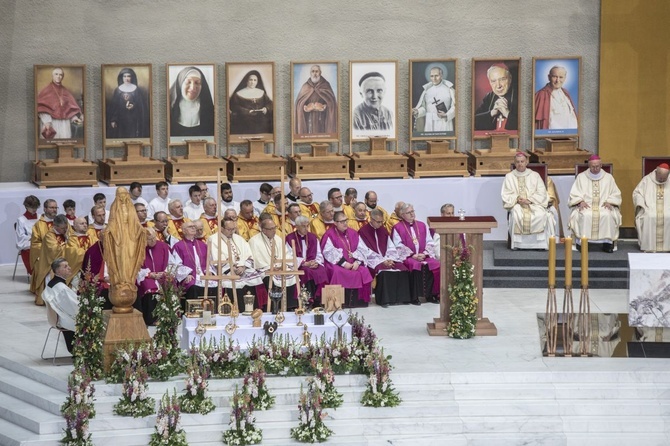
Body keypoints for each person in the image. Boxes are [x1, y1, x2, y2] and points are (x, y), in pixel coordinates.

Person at [209, 218, 266, 313]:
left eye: (233, 229)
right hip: (226, 270)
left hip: (243, 268)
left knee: (255, 279)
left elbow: (249, 255)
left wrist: (243, 266)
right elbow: (215, 258)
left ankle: (255, 310)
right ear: (222, 228)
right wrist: (232, 268)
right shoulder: (213, 239)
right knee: (233, 282)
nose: (232, 232)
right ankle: (235, 311)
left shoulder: (239, 238)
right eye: (229, 229)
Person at [568, 155, 622, 252]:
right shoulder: (581, 177)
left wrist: (610, 202)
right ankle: (584, 243)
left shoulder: (608, 177)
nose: (595, 168)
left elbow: (616, 193)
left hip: (603, 205)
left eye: (597, 166)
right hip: (587, 206)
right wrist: (580, 201)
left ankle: (607, 244)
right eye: (593, 166)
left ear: (601, 165)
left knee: (607, 215)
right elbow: (574, 193)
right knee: (585, 215)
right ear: (589, 166)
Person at [501, 152, 555, 250]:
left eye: (522, 161)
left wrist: (529, 200)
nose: (520, 164)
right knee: (517, 214)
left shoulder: (535, 175)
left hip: (533, 203)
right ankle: (519, 245)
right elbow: (506, 193)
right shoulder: (509, 176)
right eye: (517, 162)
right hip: (517, 204)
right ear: (514, 163)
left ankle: (539, 245)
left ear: (526, 162)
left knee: (540, 214)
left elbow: (542, 192)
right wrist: (517, 199)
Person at [359, 209, 411, 307]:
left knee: (402, 269)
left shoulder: (383, 230)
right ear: (371, 219)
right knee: (383, 271)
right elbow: (364, 250)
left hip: (387, 257)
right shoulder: (363, 231)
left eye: (381, 222)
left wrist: (390, 258)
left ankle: (401, 298)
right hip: (373, 260)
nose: (380, 224)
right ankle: (384, 300)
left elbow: (390, 246)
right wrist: (383, 261)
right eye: (378, 222)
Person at [321, 211, 373, 308]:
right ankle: (337, 303)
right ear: (335, 223)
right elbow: (328, 252)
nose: (345, 223)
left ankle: (359, 302)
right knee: (336, 272)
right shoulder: (329, 234)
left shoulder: (353, 233)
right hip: (337, 263)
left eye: (346, 220)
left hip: (353, 262)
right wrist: (344, 263)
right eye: (342, 221)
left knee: (364, 271)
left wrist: (357, 262)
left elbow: (362, 249)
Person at [392, 203, 440, 305]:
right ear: (402, 215)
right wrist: (412, 255)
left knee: (435, 264)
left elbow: (430, 241)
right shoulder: (397, 227)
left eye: (412, 211)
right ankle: (414, 296)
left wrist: (425, 254)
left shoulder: (422, 225)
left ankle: (432, 295)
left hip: (424, 255)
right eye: (408, 212)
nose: (412, 214)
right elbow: (398, 245)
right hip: (409, 257)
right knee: (414, 265)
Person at [249, 214, 298, 310]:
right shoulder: (254, 241)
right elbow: (257, 260)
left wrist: (283, 265)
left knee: (291, 277)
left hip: (279, 268)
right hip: (265, 270)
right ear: (264, 230)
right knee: (269, 278)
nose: (274, 231)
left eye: (274, 228)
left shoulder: (278, 239)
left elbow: (287, 254)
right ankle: (275, 307)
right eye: (271, 229)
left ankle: (291, 306)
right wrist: (270, 268)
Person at [286, 216, 328, 305]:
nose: (306, 228)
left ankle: (319, 300)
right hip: (300, 265)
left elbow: (319, 253)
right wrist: (303, 263)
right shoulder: (290, 238)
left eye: (307, 226)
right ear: (296, 226)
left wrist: (316, 262)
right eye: (303, 226)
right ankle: (308, 300)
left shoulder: (313, 237)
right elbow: (288, 255)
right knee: (306, 272)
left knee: (322, 270)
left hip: (312, 263)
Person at [135, 228, 173, 325]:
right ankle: (151, 319)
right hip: (145, 276)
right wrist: (149, 274)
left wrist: (164, 272)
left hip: (162, 275)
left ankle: (168, 316)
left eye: (153, 238)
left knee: (170, 284)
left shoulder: (164, 246)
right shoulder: (137, 248)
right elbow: (134, 267)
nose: (153, 241)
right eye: (149, 239)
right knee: (149, 286)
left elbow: (172, 263)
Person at [172, 221, 214, 306]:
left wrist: (209, 270)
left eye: (194, 226)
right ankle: (193, 312)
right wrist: (186, 274)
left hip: (204, 275)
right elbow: (176, 265)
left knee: (217, 285)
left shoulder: (202, 245)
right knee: (193, 287)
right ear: (183, 231)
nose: (193, 228)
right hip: (190, 276)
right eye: (190, 226)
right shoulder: (178, 246)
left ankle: (213, 311)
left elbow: (209, 261)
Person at [30, 214, 70, 305]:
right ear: (55, 226)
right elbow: (54, 251)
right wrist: (67, 243)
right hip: (50, 264)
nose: (65, 230)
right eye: (62, 228)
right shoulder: (49, 236)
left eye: (66, 227)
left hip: (66, 261)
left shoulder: (66, 231)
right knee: (51, 277)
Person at [41, 258, 78, 353]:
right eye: (65, 267)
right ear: (57, 271)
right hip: (63, 320)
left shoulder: (52, 283)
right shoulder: (61, 288)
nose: (69, 268)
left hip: (55, 318)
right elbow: (75, 306)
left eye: (68, 265)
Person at [37, 67, 83, 140]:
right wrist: (47, 121)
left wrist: (74, 118)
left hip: (64, 124)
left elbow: (70, 108)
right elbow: (41, 108)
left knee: (65, 143)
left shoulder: (65, 91)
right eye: (56, 74)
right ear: (52, 76)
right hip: (52, 123)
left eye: (61, 75)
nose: (58, 76)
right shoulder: (46, 90)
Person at [633, 163, 670, 252]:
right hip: (650, 208)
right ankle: (649, 246)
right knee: (649, 216)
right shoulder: (647, 180)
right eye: (660, 177)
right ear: (656, 172)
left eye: (664, 178)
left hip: (668, 208)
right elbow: (637, 193)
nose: (661, 180)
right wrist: (642, 206)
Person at [169, 66, 215, 137]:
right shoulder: (169, 109)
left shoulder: (209, 110)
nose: (193, 87)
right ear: (180, 83)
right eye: (188, 82)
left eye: (197, 83)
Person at [294, 64, 338, 135]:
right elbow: (298, 104)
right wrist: (305, 107)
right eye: (313, 71)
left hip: (322, 119)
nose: (315, 74)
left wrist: (324, 106)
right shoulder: (305, 86)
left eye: (316, 71)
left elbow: (332, 103)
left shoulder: (326, 85)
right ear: (310, 73)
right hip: (309, 119)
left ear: (320, 72)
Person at [107, 67, 149, 138]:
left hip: (133, 119)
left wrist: (133, 106)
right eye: (124, 76)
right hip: (121, 119)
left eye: (128, 76)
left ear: (132, 78)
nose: (126, 78)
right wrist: (113, 119)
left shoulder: (136, 90)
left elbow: (141, 106)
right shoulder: (118, 90)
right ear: (122, 78)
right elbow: (114, 107)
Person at [474, 64, 518, 132]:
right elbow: (474, 122)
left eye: (502, 79)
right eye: (493, 81)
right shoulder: (489, 97)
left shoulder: (519, 96)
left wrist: (506, 113)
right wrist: (492, 113)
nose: (498, 85)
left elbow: (527, 126)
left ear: (510, 79)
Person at [412, 66, 456, 132]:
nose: (434, 78)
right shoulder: (427, 91)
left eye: (436, 76)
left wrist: (446, 115)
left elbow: (455, 107)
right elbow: (424, 108)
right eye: (432, 76)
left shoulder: (449, 90)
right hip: (430, 122)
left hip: (444, 122)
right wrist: (417, 111)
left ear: (441, 76)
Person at [229, 70, 273, 135]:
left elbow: (270, 103)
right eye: (251, 80)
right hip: (245, 123)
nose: (252, 82)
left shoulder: (262, 92)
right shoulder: (238, 94)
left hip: (261, 124)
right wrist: (247, 111)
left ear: (257, 82)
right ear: (246, 81)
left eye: (255, 80)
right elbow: (234, 107)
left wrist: (266, 109)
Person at [534, 65, 578, 130]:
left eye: (561, 77)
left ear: (565, 78)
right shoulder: (541, 94)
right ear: (549, 77)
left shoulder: (566, 93)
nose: (558, 80)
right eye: (555, 77)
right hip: (551, 135)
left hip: (569, 135)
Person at [64, 217, 98, 287]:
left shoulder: (92, 238)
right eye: (82, 223)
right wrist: (89, 253)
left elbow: (99, 249)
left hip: (93, 269)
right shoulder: (72, 239)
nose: (85, 225)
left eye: (86, 223)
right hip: (78, 270)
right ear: (75, 226)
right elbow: (73, 252)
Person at [29, 198, 59, 279]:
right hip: (45, 256)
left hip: (61, 254)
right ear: (45, 209)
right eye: (51, 208)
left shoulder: (62, 221)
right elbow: (35, 244)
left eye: (56, 208)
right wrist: (49, 251)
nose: (54, 210)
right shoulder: (38, 225)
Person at [16, 195, 40, 275]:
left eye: (36, 207)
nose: (34, 209)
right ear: (26, 206)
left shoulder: (40, 217)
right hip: (28, 246)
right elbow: (21, 237)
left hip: (41, 244)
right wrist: (34, 238)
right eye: (32, 207)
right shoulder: (21, 220)